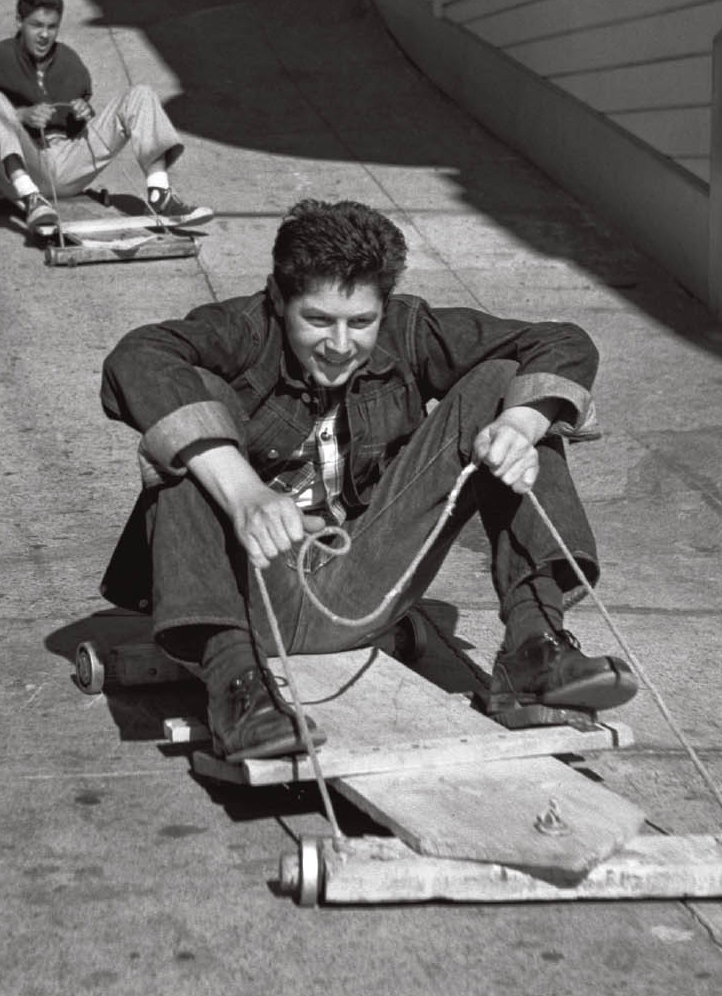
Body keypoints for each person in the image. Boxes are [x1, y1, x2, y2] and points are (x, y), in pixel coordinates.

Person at [97, 199, 638, 762]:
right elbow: (136, 359)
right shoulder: (241, 330)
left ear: (383, 306)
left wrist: (518, 426)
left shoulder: (407, 330)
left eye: (360, 322)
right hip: (248, 595)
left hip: (364, 581)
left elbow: (563, 341)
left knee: (512, 385)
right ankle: (237, 691)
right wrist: (245, 492)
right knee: (189, 408)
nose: (339, 344)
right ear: (279, 300)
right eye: (317, 320)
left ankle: (534, 646)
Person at [0, 0, 212, 239]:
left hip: (70, 164)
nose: (44, 35)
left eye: (52, 26)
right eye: (36, 25)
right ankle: (32, 198)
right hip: (25, 163)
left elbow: (78, 127)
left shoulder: (70, 61)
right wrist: (21, 116)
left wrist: (83, 114)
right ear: (19, 21)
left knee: (141, 94)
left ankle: (160, 193)